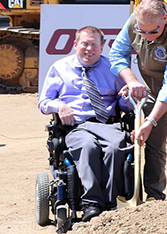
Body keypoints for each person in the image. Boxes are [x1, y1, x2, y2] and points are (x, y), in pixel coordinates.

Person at [108, 0, 167, 199]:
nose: (148, 37)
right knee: (152, 142)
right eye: (143, 31)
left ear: (165, 19)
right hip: (153, 87)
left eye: (154, 31)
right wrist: (132, 81)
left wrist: (150, 121)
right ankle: (154, 195)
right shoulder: (135, 22)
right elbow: (116, 54)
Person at [38, 26, 131, 221]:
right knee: (88, 147)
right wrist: (59, 105)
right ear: (75, 45)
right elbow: (44, 102)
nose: (89, 49)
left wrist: (127, 97)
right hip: (77, 125)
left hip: (107, 124)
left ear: (102, 47)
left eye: (94, 45)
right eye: (84, 44)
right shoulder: (59, 68)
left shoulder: (113, 69)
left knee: (115, 148)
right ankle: (92, 203)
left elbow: (125, 104)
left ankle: (111, 202)